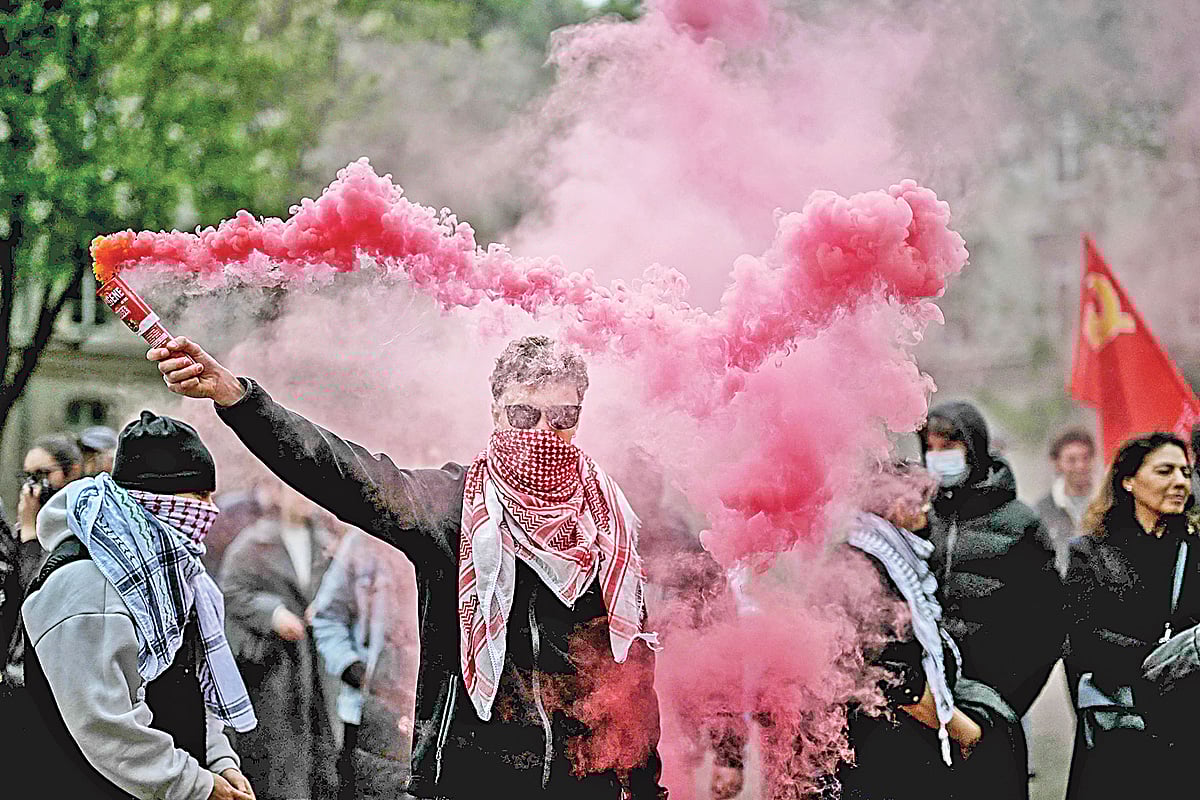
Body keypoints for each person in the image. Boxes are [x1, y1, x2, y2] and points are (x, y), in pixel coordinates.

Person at [149, 334, 667, 800]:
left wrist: (645, 786)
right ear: (495, 412)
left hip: (582, 783)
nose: (544, 433)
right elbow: (340, 473)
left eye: (562, 416)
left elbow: (628, 670)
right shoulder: (451, 505)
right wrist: (239, 400)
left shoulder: (608, 525)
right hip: (467, 780)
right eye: (524, 415)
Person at [20, 410, 257, 799]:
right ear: (154, 498)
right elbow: (104, 725)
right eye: (197, 495)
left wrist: (219, 759)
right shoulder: (84, 581)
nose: (209, 510)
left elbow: (193, 679)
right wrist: (195, 784)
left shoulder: (173, 574)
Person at [837, 464, 1028, 800]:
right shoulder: (865, 567)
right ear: (895, 505)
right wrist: (963, 730)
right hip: (888, 749)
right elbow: (890, 675)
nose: (927, 510)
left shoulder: (889, 552)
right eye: (920, 500)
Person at [1064, 432, 1198, 799]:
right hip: (1122, 726)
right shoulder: (1090, 553)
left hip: (1187, 727)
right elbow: (1082, 641)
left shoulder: (1194, 548)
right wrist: (1162, 656)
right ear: (1128, 481)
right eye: (1165, 471)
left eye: (1186, 473)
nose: (1179, 482)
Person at [919, 402, 1064, 718]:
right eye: (930, 447)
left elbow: (1048, 626)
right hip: (927, 701)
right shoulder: (920, 521)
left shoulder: (1021, 524)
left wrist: (1006, 701)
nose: (937, 456)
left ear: (974, 447)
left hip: (996, 700)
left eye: (948, 445)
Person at [219, 483, 338, 800]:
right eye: (297, 490)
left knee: (324, 759)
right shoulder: (253, 544)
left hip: (320, 672)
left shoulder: (326, 543)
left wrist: (326, 605)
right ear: (279, 493)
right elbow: (231, 591)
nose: (304, 499)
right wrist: (273, 614)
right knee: (279, 765)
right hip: (274, 672)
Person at [312, 529, 420, 800]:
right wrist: (353, 668)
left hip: (426, 715)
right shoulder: (360, 544)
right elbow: (326, 617)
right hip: (365, 712)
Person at [1034, 428, 1097, 575]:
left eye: (1086, 458)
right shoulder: (1042, 511)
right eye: (1072, 460)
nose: (1080, 466)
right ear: (1057, 463)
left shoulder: (1107, 502)